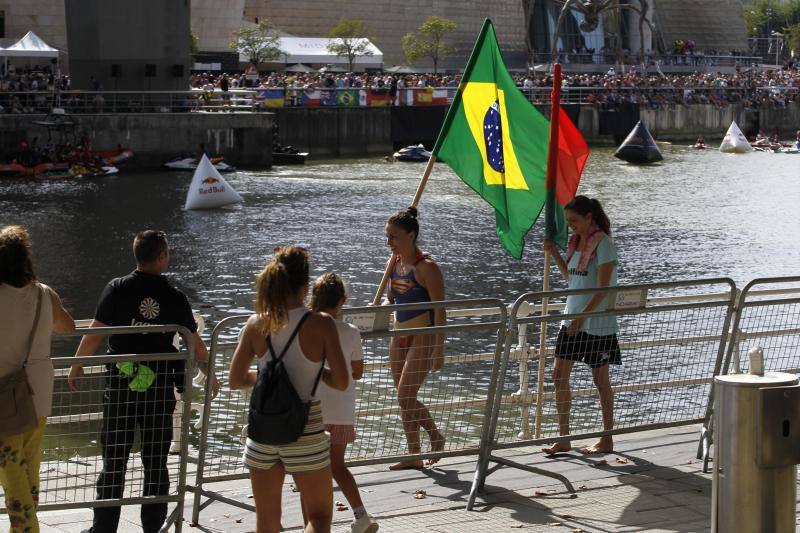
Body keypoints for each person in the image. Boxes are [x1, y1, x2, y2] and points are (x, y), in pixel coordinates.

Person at [68, 230, 219, 533]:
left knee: (114, 460)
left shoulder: (117, 289)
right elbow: (195, 344)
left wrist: (76, 365)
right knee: (155, 462)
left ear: (137, 255)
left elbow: (96, 331)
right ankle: (152, 527)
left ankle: (103, 528)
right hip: (159, 390)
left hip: (120, 389)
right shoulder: (174, 297)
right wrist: (210, 373)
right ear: (161, 257)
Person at [229, 246, 349, 533]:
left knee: (267, 522)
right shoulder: (321, 324)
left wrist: (268, 379)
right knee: (319, 517)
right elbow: (342, 382)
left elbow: (235, 379)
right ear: (305, 285)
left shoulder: (257, 322)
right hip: (305, 429)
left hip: (263, 430)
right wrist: (315, 372)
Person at [0, 225, 75, 532]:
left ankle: (28, 530)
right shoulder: (45, 294)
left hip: (4, 395)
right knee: (29, 466)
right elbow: (67, 326)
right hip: (39, 391)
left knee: (11, 470)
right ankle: (25, 526)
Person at [541, 196, 620, 456]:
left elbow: (604, 287)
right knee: (558, 377)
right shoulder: (575, 244)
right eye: (568, 221)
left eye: (574, 220)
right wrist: (555, 256)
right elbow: (573, 280)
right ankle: (564, 437)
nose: (570, 226)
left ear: (589, 217)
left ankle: (606, 438)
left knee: (600, 380)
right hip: (572, 319)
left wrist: (582, 317)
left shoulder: (604, 244)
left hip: (596, 323)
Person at [306, 273, 378, 533]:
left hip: (314, 409)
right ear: (343, 301)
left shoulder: (306, 327)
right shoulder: (350, 331)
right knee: (337, 465)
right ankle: (361, 516)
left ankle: (312, 525)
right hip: (342, 408)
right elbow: (357, 371)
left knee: (310, 472)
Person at [384, 207, 446, 470]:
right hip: (399, 333)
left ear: (411, 235)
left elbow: (440, 309)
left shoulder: (427, 267)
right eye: (387, 236)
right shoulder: (394, 264)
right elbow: (391, 299)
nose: (389, 242)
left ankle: (435, 436)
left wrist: (439, 348)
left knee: (405, 395)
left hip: (423, 335)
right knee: (402, 398)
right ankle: (414, 454)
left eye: (394, 237)